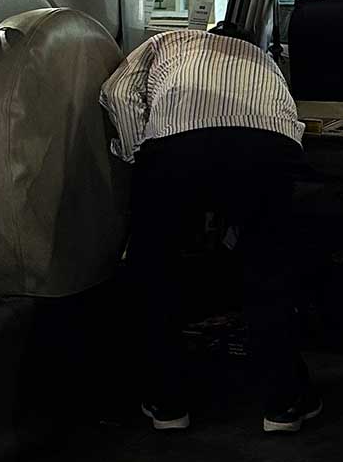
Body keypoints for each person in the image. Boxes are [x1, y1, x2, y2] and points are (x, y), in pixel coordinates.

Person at [100, 24, 318, 434]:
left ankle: (166, 404)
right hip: (268, 148)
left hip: (177, 145)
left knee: (154, 267)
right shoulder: (263, 60)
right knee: (268, 270)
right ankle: (284, 404)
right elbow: (287, 116)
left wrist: (137, 153)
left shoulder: (168, 41)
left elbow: (118, 93)